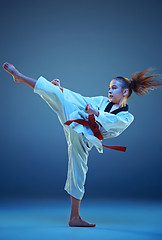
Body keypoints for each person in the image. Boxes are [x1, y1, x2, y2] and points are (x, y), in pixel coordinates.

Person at [2, 62, 162, 227]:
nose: (109, 90)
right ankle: (20, 77)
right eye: (109, 87)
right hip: (74, 122)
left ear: (125, 92)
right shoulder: (101, 100)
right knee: (56, 93)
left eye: (113, 88)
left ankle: (74, 217)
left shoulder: (127, 117)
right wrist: (62, 90)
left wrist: (97, 113)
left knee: (78, 172)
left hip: (85, 138)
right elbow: (81, 100)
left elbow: (113, 122)